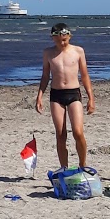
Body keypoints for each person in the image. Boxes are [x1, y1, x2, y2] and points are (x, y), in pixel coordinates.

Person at [34, 22, 94, 170]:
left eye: (64, 40)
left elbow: (85, 76)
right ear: (52, 38)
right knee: (60, 134)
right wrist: (39, 96)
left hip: (74, 93)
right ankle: (64, 167)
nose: (62, 43)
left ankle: (82, 164)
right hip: (56, 95)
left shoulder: (78, 51)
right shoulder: (48, 53)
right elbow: (45, 76)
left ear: (69, 36)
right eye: (58, 40)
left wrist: (91, 98)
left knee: (78, 132)